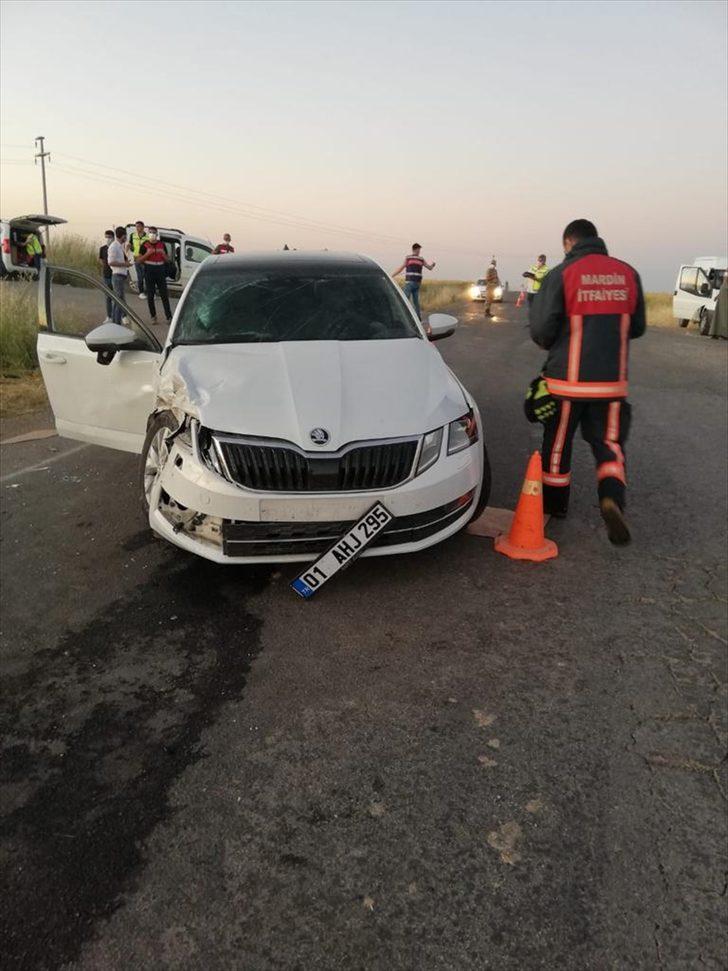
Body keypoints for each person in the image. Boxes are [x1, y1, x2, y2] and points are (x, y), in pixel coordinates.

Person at [529, 219, 646, 545]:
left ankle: (555, 507)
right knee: (609, 445)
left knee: (557, 444)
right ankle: (611, 498)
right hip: (611, 383)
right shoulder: (628, 273)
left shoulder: (561, 274)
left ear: (569, 242)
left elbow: (541, 330)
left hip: (566, 382)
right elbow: (637, 327)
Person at [137, 226, 173, 323]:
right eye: (150, 232)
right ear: (148, 234)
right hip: (149, 270)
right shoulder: (144, 245)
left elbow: (168, 260)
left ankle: (169, 317)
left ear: (157, 234)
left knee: (164, 295)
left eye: (154, 232)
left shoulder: (162, 244)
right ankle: (153, 316)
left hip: (160, 270)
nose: (152, 234)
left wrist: (163, 254)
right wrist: (148, 254)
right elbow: (139, 260)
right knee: (150, 295)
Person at [391, 243, 436, 320]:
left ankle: (404, 317)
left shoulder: (412, 258)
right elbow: (430, 268)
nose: (419, 251)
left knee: (406, 300)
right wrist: (432, 265)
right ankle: (417, 318)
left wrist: (392, 275)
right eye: (419, 249)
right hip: (415, 282)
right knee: (414, 302)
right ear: (415, 249)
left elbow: (401, 268)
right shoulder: (416, 258)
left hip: (412, 282)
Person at [107, 226, 132, 325]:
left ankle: (116, 322)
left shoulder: (120, 246)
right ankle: (116, 323)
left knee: (119, 300)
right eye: (125, 235)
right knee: (119, 301)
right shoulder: (114, 246)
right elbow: (111, 262)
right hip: (117, 275)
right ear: (123, 236)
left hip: (121, 276)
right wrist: (125, 264)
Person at [128, 220, 149, 298]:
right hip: (137, 259)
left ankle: (149, 292)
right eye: (136, 226)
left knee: (146, 277)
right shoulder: (133, 235)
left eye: (139, 226)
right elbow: (131, 245)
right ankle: (141, 293)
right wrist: (130, 250)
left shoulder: (147, 237)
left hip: (145, 259)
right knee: (140, 277)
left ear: (143, 227)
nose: (137, 228)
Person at [98, 229, 115, 322]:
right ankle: (109, 316)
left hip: (115, 275)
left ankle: (121, 315)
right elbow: (101, 259)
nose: (108, 239)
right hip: (106, 275)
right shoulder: (103, 248)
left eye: (109, 237)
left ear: (113, 238)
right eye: (106, 237)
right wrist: (104, 266)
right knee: (108, 296)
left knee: (117, 297)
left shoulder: (117, 247)